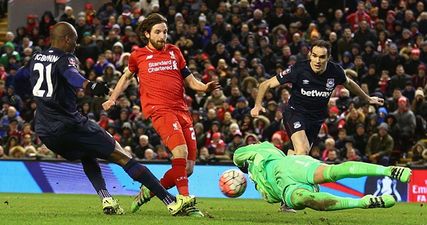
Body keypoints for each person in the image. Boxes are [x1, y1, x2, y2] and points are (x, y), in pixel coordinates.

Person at [28, 22, 195, 215]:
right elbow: (71, 75)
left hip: (45, 131)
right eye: (74, 40)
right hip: (69, 124)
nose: (76, 45)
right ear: (66, 39)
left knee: (86, 154)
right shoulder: (66, 58)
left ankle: (106, 198)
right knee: (122, 156)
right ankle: (171, 202)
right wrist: (90, 86)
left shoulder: (35, 57)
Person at [102, 13, 219, 217]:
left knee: (188, 168)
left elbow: (190, 81)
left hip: (181, 111)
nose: (162, 36)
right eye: (158, 32)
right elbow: (125, 77)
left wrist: (204, 89)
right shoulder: (138, 55)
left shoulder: (175, 52)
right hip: (159, 110)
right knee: (179, 152)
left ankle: (149, 190)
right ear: (147, 34)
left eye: (165, 31)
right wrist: (112, 98)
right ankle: (184, 200)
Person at [251, 40, 384, 155]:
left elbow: (349, 83)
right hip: (295, 113)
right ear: (310, 55)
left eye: (322, 57)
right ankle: (266, 153)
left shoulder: (335, 71)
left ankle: (282, 171)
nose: (317, 61)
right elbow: (265, 84)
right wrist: (257, 105)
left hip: (316, 119)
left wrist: (367, 98)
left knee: (298, 153)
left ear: (328, 57)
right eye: (314, 56)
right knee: (302, 151)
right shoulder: (299, 69)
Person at [233, 141, 411, 211]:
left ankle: (388, 171)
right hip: (284, 186)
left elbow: (237, 154)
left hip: (286, 166)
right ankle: (363, 202)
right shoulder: (257, 180)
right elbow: (271, 196)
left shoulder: (261, 148)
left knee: (331, 172)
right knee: (306, 199)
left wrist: (241, 164)